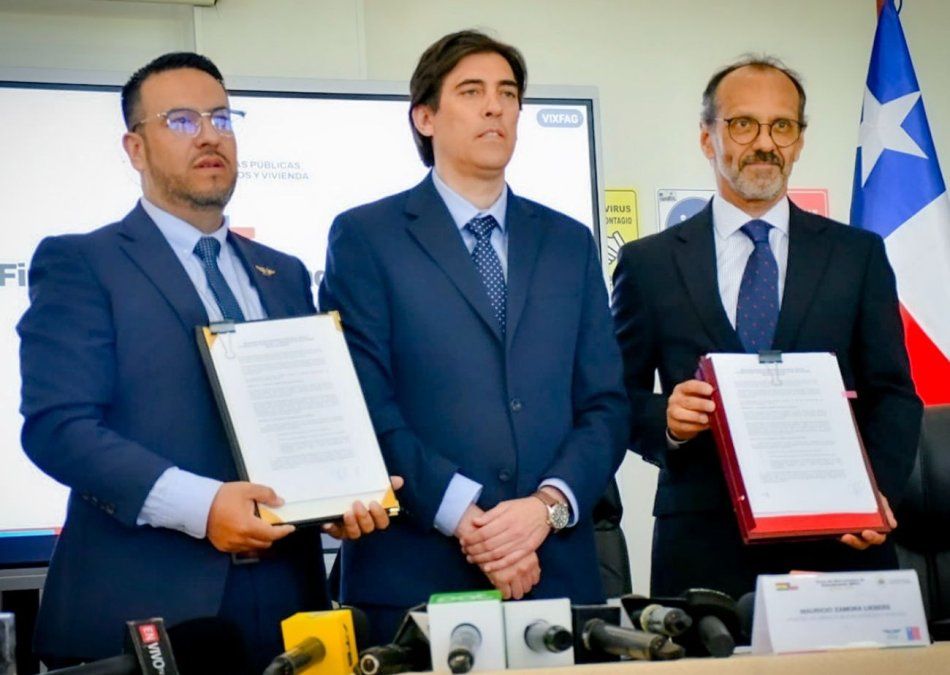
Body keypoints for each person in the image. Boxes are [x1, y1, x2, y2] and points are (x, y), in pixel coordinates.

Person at [18, 52, 393, 673]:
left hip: (289, 612)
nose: (210, 135)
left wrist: (336, 499)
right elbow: (58, 429)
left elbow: (298, 422)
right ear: (135, 149)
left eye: (222, 118)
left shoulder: (283, 273)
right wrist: (202, 506)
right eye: (182, 121)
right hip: (145, 614)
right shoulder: (82, 263)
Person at [319, 30, 628, 644]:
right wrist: (469, 519)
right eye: (471, 91)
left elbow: (606, 404)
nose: (495, 107)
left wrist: (544, 509)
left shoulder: (569, 243)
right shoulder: (366, 237)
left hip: (554, 568)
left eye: (507, 94)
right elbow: (363, 404)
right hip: (414, 572)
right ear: (425, 117)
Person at [612, 55, 923, 601]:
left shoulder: (857, 255)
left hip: (839, 541)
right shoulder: (648, 263)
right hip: (702, 548)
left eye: (781, 126)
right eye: (742, 124)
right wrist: (667, 420)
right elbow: (614, 397)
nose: (764, 143)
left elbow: (893, 393)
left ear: (798, 142)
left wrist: (873, 493)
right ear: (707, 138)